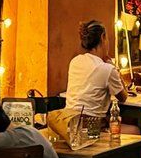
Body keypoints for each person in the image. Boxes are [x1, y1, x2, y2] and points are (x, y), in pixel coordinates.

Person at [51, 20, 127, 148]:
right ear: (103, 37)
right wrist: (114, 67)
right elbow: (123, 97)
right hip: (94, 128)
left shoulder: (75, 61)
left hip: (69, 124)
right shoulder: (107, 69)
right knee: (136, 131)